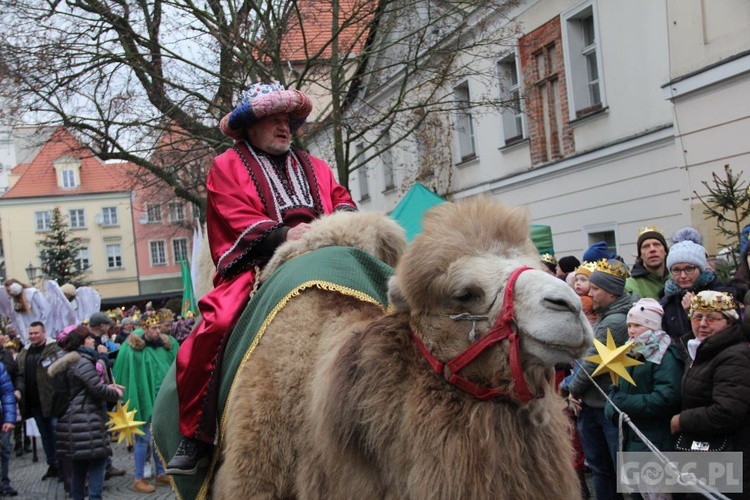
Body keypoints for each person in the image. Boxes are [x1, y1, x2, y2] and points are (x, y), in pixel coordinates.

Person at [166, 82, 357, 475]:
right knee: (215, 325)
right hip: (259, 263)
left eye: (288, 119)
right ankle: (198, 436)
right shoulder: (227, 165)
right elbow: (234, 217)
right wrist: (284, 234)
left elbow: (343, 200)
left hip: (328, 253)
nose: (285, 127)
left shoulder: (316, 165)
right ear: (251, 126)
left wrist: (343, 223)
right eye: (275, 119)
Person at [561, 259, 635, 500]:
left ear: (612, 291)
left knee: (610, 471)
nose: (590, 294)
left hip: (604, 408)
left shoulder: (614, 321)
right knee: (602, 470)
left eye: (596, 289)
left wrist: (568, 386)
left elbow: (591, 362)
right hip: (592, 403)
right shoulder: (605, 316)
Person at [670, 291, 750, 498]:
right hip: (708, 453)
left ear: (730, 322)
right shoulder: (701, 350)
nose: (702, 323)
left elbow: (726, 412)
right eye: (697, 317)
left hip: (731, 455)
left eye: (712, 318)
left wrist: (682, 421)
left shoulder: (734, 356)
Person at [49, 326, 123, 500]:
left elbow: (83, 388)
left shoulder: (66, 362)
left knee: (79, 467)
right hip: (86, 421)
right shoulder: (82, 362)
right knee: (99, 461)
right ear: (82, 341)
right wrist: (115, 392)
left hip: (70, 421)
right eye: (89, 338)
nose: (92, 341)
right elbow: (96, 389)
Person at [605, 299, 682, 453]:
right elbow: (616, 389)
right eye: (629, 326)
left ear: (652, 326)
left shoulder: (665, 356)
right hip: (630, 436)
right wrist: (611, 410)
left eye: (637, 325)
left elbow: (665, 397)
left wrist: (622, 402)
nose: (631, 331)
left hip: (654, 440)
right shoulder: (630, 353)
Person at [113, 311, 178, 493]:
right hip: (142, 400)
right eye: (154, 328)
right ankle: (139, 478)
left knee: (158, 438)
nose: (158, 331)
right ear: (144, 329)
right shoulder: (132, 348)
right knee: (143, 440)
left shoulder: (166, 345)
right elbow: (123, 373)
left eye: (159, 327)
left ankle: (161, 472)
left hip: (162, 400)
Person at [659, 240, 737, 355]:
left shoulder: (721, 295)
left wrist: (694, 314)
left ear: (700, 268)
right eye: (676, 270)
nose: (683, 276)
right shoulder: (667, 302)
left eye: (689, 269)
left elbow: (729, 335)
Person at [13, 321, 62, 480]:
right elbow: (18, 374)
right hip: (35, 403)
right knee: (45, 436)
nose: (33, 336)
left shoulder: (54, 349)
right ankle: (52, 464)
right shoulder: (24, 352)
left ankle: (63, 466)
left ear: (43, 332)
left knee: (56, 434)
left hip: (53, 401)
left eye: (36, 333)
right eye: (31, 333)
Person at [0, 279, 51, 345]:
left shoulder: (32, 293)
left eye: (9, 291)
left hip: (41, 331)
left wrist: (42, 328)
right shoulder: (14, 300)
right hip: (29, 337)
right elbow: (19, 321)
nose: (9, 294)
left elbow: (47, 311)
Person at [625, 226, 670, 300]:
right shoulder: (631, 286)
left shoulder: (677, 279)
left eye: (656, 244)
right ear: (641, 255)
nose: (652, 249)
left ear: (665, 251)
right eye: (646, 246)